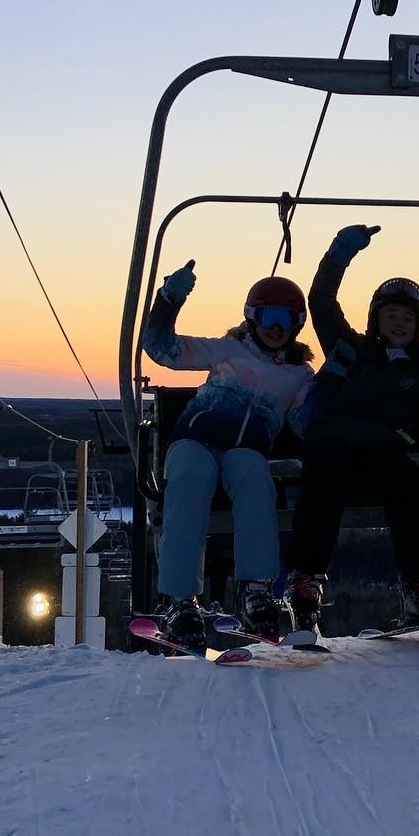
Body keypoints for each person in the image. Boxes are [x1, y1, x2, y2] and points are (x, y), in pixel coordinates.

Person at [142, 259, 317, 648]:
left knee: (257, 483)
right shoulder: (227, 350)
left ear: (297, 324)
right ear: (251, 318)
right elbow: (161, 348)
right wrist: (169, 300)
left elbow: (307, 424)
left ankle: (257, 590)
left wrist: (335, 380)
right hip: (196, 439)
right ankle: (180, 599)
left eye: (286, 319)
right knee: (189, 482)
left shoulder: (299, 375)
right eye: (268, 316)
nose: (275, 327)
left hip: (247, 449)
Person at [284, 224, 419, 633]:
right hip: (334, 440)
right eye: (390, 315)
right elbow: (321, 300)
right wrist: (340, 253)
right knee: (322, 484)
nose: (398, 323)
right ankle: (307, 579)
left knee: (408, 485)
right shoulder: (352, 348)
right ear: (375, 319)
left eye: (407, 317)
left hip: (381, 448)